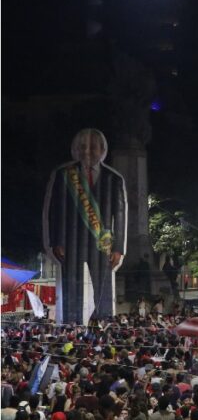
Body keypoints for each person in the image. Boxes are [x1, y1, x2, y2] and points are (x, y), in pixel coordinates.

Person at [43, 128, 128, 323]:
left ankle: (104, 324)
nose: (88, 152)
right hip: (70, 242)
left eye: (93, 147)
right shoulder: (64, 174)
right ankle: (71, 324)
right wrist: (57, 241)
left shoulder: (113, 179)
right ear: (75, 149)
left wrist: (118, 249)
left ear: (102, 149)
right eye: (83, 147)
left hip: (102, 245)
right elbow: (55, 211)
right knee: (72, 286)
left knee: (103, 288)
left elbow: (120, 216)